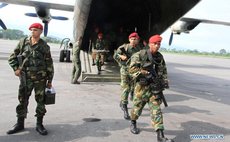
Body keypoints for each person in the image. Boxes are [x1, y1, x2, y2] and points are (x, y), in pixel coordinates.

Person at [7, 23, 54, 136]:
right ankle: (20, 123)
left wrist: (50, 81)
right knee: (22, 99)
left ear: (40, 32)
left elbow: (49, 64)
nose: (33, 32)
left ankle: (39, 124)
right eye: (31, 30)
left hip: (40, 79)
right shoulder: (23, 42)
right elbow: (12, 57)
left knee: (41, 101)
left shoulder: (44, 46)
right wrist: (16, 69)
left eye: (35, 30)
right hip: (26, 78)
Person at [128, 34, 173, 142]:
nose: (157, 46)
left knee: (157, 110)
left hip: (154, 88)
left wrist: (164, 81)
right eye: (155, 44)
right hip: (141, 88)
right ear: (149, 44)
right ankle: (133, 122)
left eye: (159, 44)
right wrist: (142, 72)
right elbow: (131, 70)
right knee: (136, 109)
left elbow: (163, 71)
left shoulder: (159, 57)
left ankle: (160, 135)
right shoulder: (140, 55)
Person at [113, 32, 142, 120]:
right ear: (129, 39)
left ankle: (124, 102)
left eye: (135, 39)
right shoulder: (124, 47)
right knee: (125, 88)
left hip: (134, 72)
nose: (133, 40)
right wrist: (120, 56)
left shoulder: (139, 48)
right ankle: (125, 108)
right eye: (132, 39)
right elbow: (115, 55)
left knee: (133, 88)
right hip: (125, 70)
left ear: (137, 40)